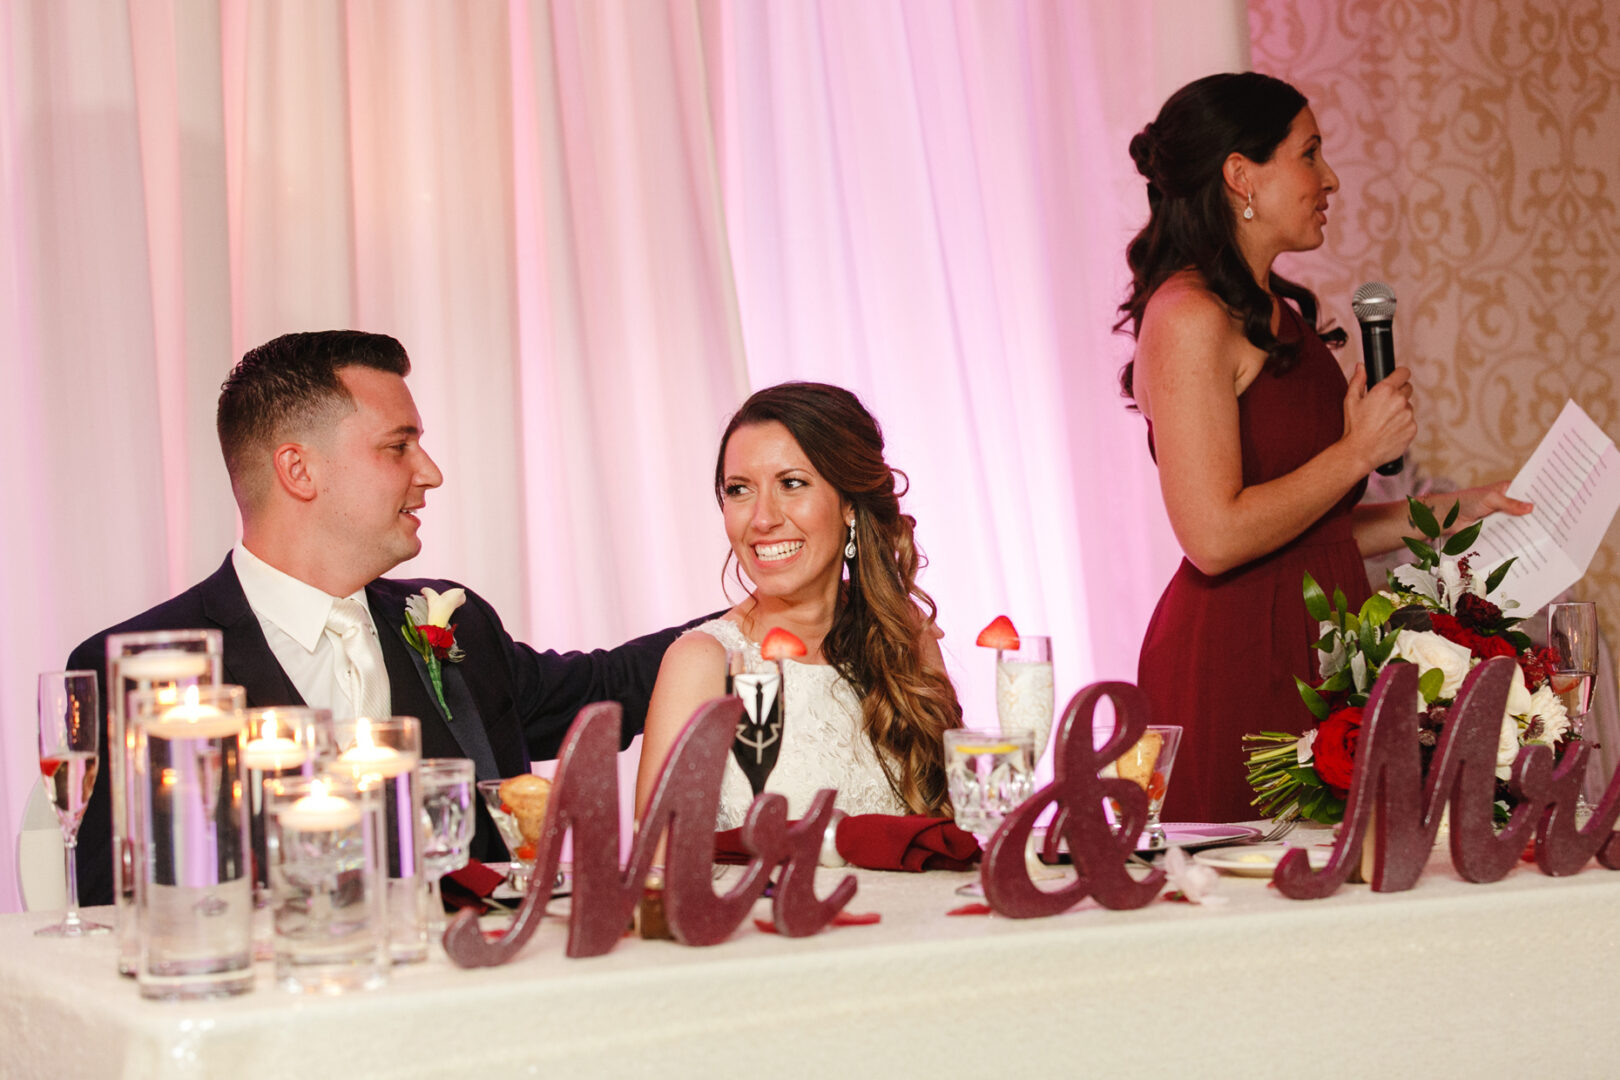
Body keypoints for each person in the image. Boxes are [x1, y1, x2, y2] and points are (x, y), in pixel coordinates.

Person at [69, 330, 692, 905]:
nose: (431, 474)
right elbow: (110, 913)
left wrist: (767, 613)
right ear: (299, 470)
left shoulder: (459, 625)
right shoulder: (142, 667)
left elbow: (612, 685)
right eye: (399, 446)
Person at [1118, 73, 1532, 822]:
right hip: (1239, 654)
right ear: (1242, 174)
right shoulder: (1186, 316)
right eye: (1310, 154)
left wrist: (1460, 513)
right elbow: (1213, 537)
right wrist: (1355, 451)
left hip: (1323, 640)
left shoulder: (1279, 314)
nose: (1329, 177)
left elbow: (1317, 530)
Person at [634, 382, 961, 828]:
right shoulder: (704, 662)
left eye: (791, 484)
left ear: (849, 503)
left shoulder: (904, 639)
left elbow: (951, 831)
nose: (763, 518)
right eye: (739, 489)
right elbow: (660, 868)